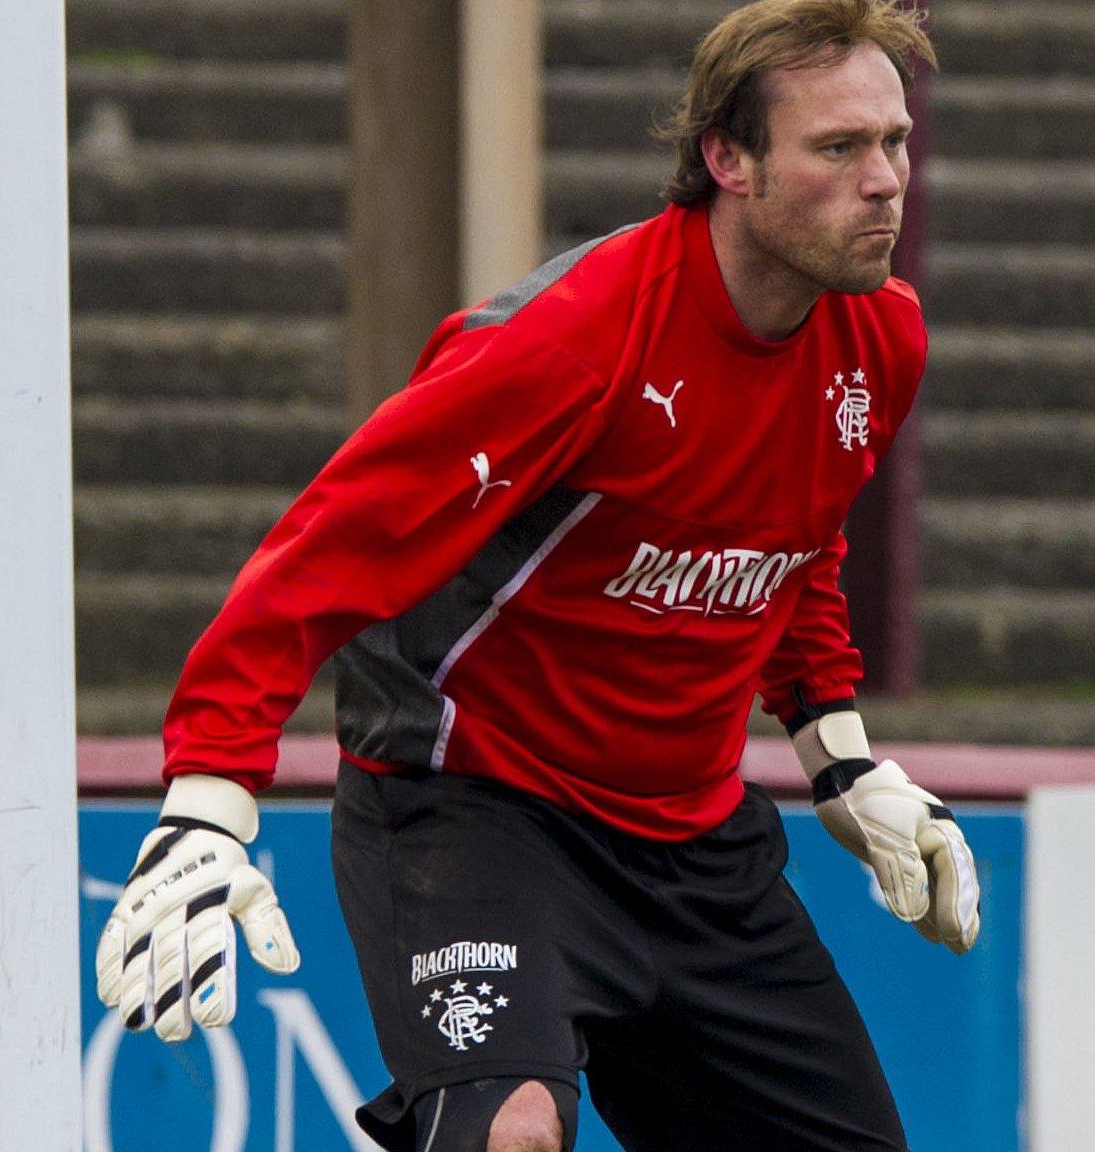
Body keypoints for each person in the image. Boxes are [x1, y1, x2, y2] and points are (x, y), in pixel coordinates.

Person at [94, 2, 980, 1149]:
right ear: (728, 161)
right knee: (506, 1132)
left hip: (691, 840)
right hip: (474, 810)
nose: (883, 181)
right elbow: (328, 549)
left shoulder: (879, 339)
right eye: (837, 148)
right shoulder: (572, 341)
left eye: (894, 142)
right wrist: (208, 800)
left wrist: (842, 761)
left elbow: (791, 548)